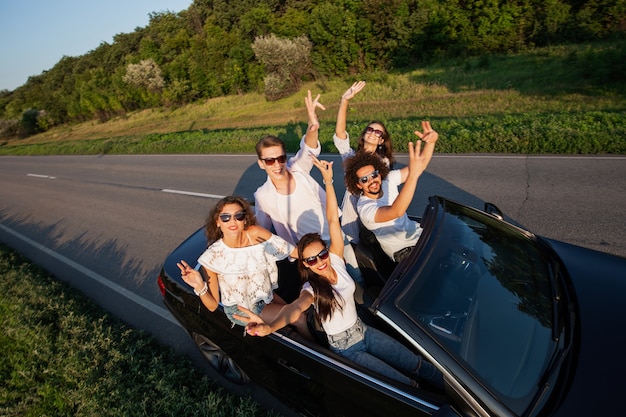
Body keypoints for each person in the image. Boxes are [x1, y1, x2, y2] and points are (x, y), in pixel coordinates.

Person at [236, 156, 444, 390]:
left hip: (363, 330)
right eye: (311, 260)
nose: (320, 261)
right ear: (305, 265)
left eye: (322, 254)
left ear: (328, 251)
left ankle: (456, 392)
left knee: (417, 364)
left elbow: (333, 219)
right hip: (346, 348)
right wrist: (269, 328)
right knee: (404, 384)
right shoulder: (311, 289)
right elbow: (293, 309)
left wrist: (328, 181)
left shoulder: (335, 259)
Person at [254, 90, 364, 285]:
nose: (277, 164)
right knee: (330, 289)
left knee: (355, 277)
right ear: (261, 164)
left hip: (334, 235)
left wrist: (313, 126)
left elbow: (309, 149)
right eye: (269, 161)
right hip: (312, 254)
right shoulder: (263, 196)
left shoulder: (298, 169)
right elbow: (263, 231)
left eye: (280, 158)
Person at [176, 195, 309, 336]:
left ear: (245, 220)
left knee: (297, 310)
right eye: (225, 217)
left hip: (265, 294)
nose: (232, 221)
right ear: (217, 222)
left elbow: (291, 251)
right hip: (241, 307)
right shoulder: (212, 258)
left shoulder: (255, 234)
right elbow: (213, 305)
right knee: (298, 317)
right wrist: (199, 286)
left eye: (238, 216)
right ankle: (313, 352)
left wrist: (323, 257)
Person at [344, 122, 438, 263]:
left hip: (421, 236)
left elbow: (420, 165)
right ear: (358, 185)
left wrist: (431, 142)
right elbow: (396, 211)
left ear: (380, 173)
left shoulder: (388, 180)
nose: (372, 180)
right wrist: (412, 176)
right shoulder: (365, 209)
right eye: (364, 179)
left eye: (374, 174)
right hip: (405, 253)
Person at [333, 81, 396, 243]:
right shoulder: (350, 157)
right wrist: (344, 100)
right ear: (364, 134)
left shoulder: (382, 162)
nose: (373, 133)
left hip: (372, 205)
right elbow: (340, 133)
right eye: (370, 129)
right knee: (353, 244)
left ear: (382, 140)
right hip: (351, 208)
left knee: (377, 243)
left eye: (378, 132)